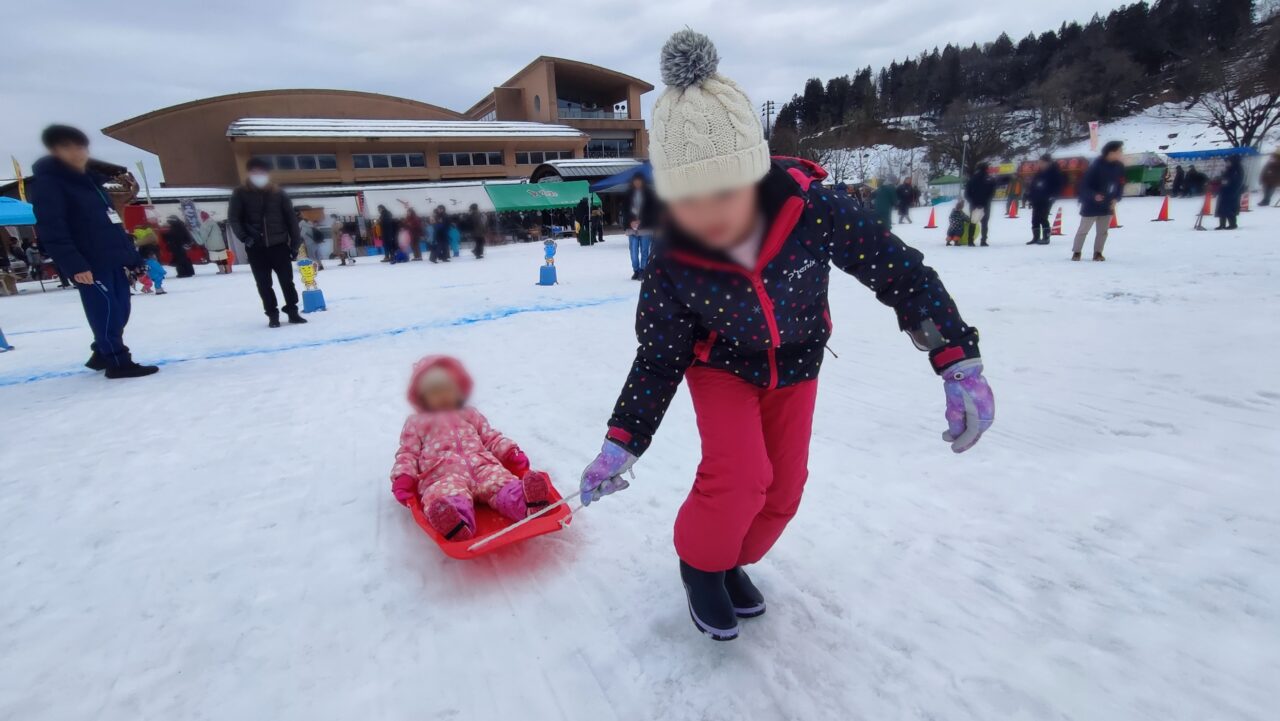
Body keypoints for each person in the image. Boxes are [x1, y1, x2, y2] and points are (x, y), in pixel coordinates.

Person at [577, 30, 994, 642]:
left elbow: (902, 275)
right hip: (718, 364)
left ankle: (731, 561)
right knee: (740, 474)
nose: (711, 213)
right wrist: (622, 440)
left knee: (784, 486)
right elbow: (658, 357)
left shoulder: (816, 210)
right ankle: (701, 566)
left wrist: (957, 361)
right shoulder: (673, 257)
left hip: (796, 363)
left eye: (726, 191)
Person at [28, 124, 158, 378]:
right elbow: (52, 229)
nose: (77, 152)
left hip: (112, 257)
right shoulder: (50, 184)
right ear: (54, 151)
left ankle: (102, 351)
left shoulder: (92, 183)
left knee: (121, 309)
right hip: (90, 262)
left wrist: (132, 259)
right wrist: (75, 265)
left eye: (80, 146)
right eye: (67, 147)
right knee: (106, 311)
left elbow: (113, 224)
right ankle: (118, 362)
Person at [390, 355, 554, 540]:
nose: (443, 395)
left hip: (483, 467)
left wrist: (510, 451)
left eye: (448, 389)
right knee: (444, 497)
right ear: (421, 397)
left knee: (504, 483)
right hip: (443, 475)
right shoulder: (417, 422)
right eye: (435, 392)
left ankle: (529, 503)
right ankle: (455, 524)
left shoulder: (469, 414)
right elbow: (408, 453)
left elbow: (491, 437)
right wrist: (404, 477)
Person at [227, 157, 307, 327]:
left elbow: (291, 220)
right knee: (264, 284)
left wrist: (294, 245)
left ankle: (292, 311)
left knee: (287, 281)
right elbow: (234, 219)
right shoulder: (240, 193)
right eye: (255, 172)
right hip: (256, 247)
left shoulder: (278, 194)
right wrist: (245, 238)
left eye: (262, 172)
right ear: (249, 173)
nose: (259, 175)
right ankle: (272, 315)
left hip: (279, 245)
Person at [1071, 140, 1126, 261]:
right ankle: (1077, 252)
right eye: (1119, 151)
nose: (1121, 153)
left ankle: (1098, 253)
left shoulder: (1119, 167)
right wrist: (1093, 196)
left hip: (1108, 204)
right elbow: (1084, 185)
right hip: (1091, 205)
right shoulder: (1096, 166)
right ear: (1111, 152)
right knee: (1083, 230)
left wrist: (1116, 198)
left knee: (1103, 231)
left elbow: (1121, 184)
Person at [621, 173, 658, 280]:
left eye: (639, 180)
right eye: (635, 181)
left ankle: (643, 270)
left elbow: (652, 211)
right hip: (631, 227)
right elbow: (624, 210)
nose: (637, 183)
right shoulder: (628, 194)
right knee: (633, 251)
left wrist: (642, 220)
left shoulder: (649, 194)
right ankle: (636, 270)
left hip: (645, 227)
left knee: (645, 250)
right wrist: (630, 221)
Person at [1025, 154, 1064, 245]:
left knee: (1043, 217)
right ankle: (1036, 237)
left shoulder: (1054, 172)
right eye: (1039, 163)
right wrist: (1030, 196)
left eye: (1042, 163)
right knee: (1035, 218)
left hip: (1047, 199)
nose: (1040, 164)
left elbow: (1058, 186)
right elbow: (1033, 186)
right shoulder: (1039, 173)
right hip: (1036, 199)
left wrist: (1053, 196)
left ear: (1048, 163)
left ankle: (1046, 237)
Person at [964, 163, 997, 246]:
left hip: (974, 205)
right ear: (986, 169)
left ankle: (970, 241)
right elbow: (992, 193)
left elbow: (967, 193)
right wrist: (986, 201)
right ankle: (983, 241)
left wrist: (972, 202)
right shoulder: (989, 179)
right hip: (985, 205)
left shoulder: (972, 179)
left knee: (973, 222)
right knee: (985, 223)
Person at [1215, 155, 1245, 230]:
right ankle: (1222, 224)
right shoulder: (1229, 169)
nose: (1227, 163)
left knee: (1229, 208)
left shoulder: (1237, 170)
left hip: (1232, 192)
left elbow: (1235, 181)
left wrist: (1226, 181)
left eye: (1228, 162)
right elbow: (1225, 179)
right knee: (1222, 208)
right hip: (1225, 191)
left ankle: (1233, 224)